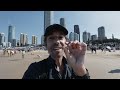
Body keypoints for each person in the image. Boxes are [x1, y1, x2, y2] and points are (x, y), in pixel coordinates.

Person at [22, 24, 90, 79]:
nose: (57, 42)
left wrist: (80, 69)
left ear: (66, 42)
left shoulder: (73, 68)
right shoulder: (36, 69)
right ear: (46, 44)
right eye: (51, 38)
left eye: (60, 37)